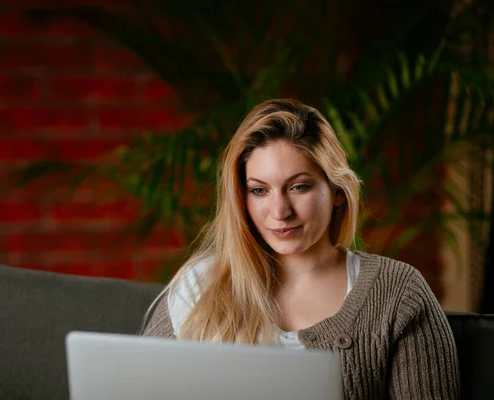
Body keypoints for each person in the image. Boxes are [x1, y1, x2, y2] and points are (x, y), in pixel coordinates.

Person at [141, 98, 460, 399]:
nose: (279, 211)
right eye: (259, 190)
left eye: (299, 186)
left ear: (337, 191)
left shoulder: (397, 293)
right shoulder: (199, 288)